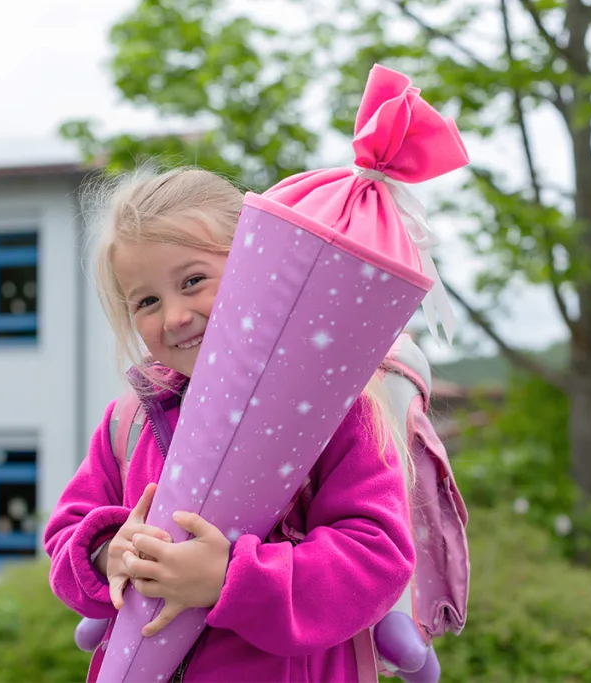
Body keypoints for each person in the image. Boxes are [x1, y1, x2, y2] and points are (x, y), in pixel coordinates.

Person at [43, 166, 416, 682]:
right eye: (146, 301)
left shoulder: (335, 407)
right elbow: (64, 535)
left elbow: (375, 557)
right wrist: (108, 554)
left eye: (193, 281)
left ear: (255, 269)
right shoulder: (128, 420)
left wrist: (232, 580)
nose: (173, 317)